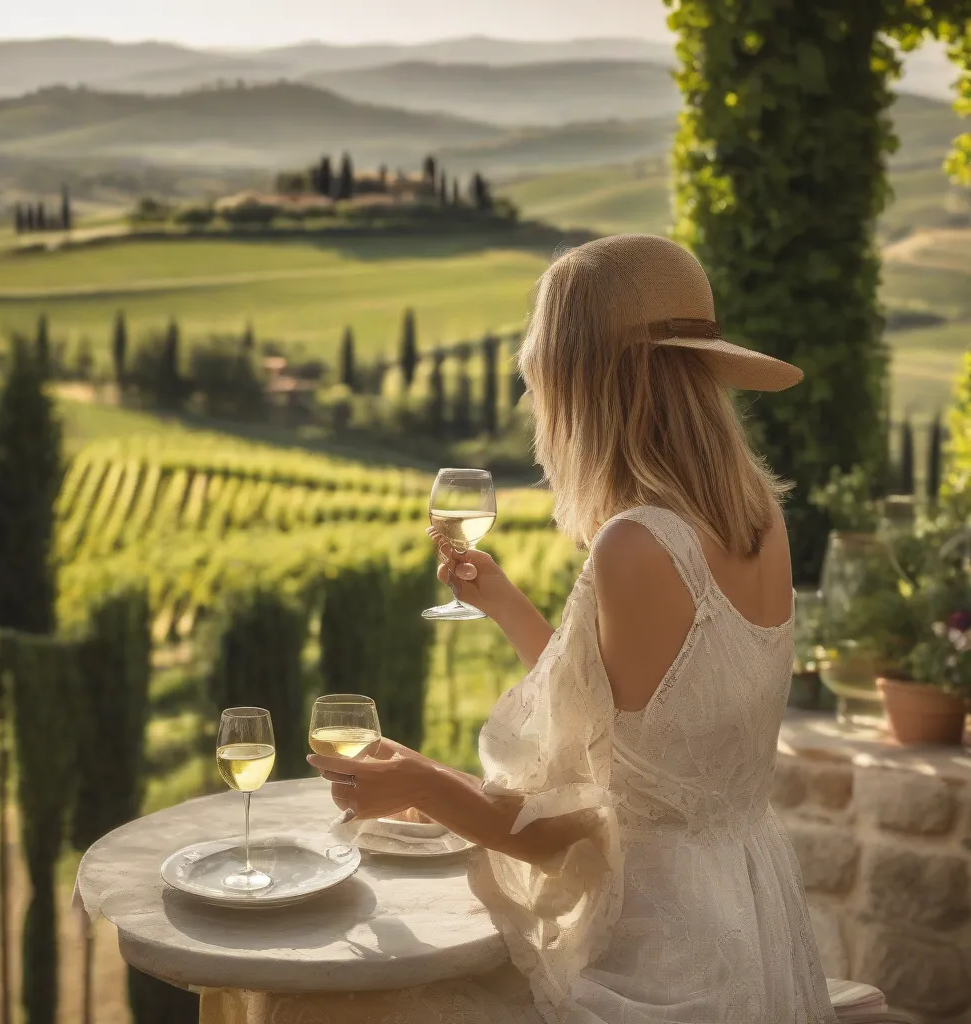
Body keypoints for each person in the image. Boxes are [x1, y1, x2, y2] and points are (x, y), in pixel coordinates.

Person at [308, 235, 915, 1024]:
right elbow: (642, 725)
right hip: (746, 913)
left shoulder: (639, 542)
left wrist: (423, 782)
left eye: (548, 384)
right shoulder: (755, 512)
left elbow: (567, 830)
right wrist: (508, 605)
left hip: (659, 955)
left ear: (588, 386)